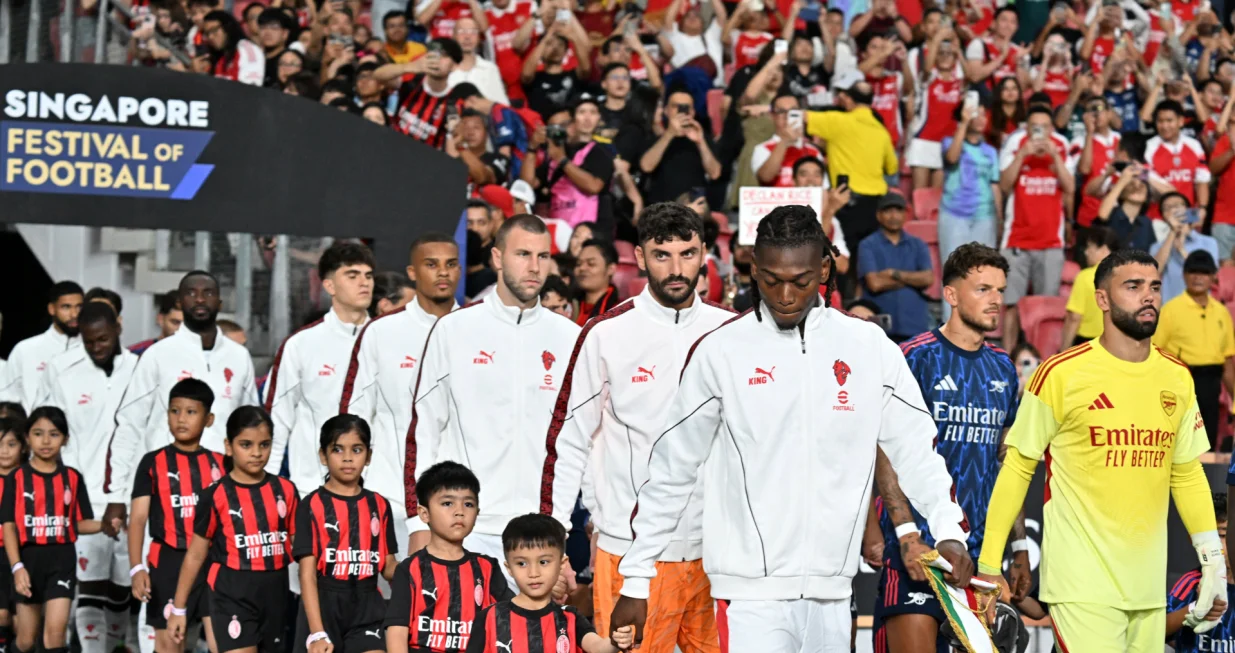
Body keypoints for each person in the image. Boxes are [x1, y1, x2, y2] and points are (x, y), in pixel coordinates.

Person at [609, 205, 973, 651]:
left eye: (799, 281)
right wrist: (637, 579)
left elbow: (917, 450)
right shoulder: (721, 351)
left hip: (834, 595)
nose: (784, 295)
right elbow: (671, 470)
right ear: (754, 269)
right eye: (770, 280)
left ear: (824, 268)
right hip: (747, 599)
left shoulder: (868, 347)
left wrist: (950, 530)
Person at [978, 249, 1227, 651]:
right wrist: (990, 566)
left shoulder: (1177, 377)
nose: (1148, 296)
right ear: (1102, 300)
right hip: (1081, 587)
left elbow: (1185, 473)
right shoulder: (1061, 373)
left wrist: (1212, 559)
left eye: (1154, 287)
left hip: (1148, 588)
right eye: (1133, 286)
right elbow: (1017, 468)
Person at [541, 203, 731, 652]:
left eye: (687, 253)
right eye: (661, 255)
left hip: (717, 552)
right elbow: (569, 441)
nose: (676, 267)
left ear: (704, 253)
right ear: (640, 258)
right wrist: (555, 540)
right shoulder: (606, 333)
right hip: (629, 553)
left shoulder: (730, 331)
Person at [871, 243, 1026, 653]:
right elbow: (885, 449)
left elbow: (1006, 463)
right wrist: (904, 532)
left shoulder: (1004, 367)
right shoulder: (914, 357)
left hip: (977, 558)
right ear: (952, 295)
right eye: (983, 289)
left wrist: (1019, 545)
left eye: (1000, 290)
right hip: (918, 548)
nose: (996, 300)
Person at [406, 216, 582, 562]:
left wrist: (561, 525)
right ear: (498, 258)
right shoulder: (454, 330)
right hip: (464, 529)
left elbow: (579, 440)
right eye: (522, 254)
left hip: (541, 531)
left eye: (543, 256)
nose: (534, 267)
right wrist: (418, 522)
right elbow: (422, 431)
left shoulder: (570, 337)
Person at [102, 271, 259, 541]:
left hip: (223, 490)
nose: (199, 299)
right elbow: (129, 424)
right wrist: (117, 494)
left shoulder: (239, 357)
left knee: (216, 575)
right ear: (180, 302)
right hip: (166, 488)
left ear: (220, 303)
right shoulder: (158, 355)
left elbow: (251, 428)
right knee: (159, 575)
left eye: (208, 293)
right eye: (191, 293)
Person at [340, 233, 460, 556]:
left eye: (451, 265)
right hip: (389, 499)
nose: (443, 273)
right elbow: (354, 416)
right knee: (386, 604)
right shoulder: (381, 333)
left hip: (464, 504)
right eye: (431, 265)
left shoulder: (476, 332)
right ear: (411, 272)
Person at [37, 302, 138, 653]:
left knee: (123, 587)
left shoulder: (140, 369)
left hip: (130, 498)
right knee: (90, 584)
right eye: (89, 341)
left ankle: (113, 646)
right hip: (84, 498)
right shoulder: (64, 372)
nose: (97, 347)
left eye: (103, 339)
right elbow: (49, 431)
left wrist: (130, 495)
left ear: (118, 329)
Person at [166, 407, 298, 652]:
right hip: (231, 594)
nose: (257, 453)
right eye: (246, 445)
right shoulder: (215, 495)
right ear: (229, 446)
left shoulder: (286, 490)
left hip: (276, 595)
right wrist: (179, 608)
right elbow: (195, 554)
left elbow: (299, 545)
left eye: (264, 445)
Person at [266, 241, 374, 495]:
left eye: (368, 275)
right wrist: (266, 490)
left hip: (378, 492)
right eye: (352, 275)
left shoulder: (391, 342)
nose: (364, 283)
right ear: (329, 285)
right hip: (311, 489)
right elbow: (277, 421)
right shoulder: (300, 345)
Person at [127, 379, 226, 653]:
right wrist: (136, 568)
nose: (181, 419)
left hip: (212, 562)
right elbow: (137, 519)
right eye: (175, 411)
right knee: (171, 644)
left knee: (224, 644)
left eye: (191, 412)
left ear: (209, 419)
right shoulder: (152, 462)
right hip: (168, 563)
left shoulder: (221, 464)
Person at [293, 415, 398, 653]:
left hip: (367, 605)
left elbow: (387, 564)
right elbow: (307, 575)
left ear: (368, 456)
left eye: (357, 449)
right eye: (338, 449)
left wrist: (412, 570)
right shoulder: (311, 505)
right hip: (323, 606)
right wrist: (317, 632)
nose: (348, 457)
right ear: (323, 455)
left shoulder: (380, 505)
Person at [383, 461, 512, 652]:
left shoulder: (487, 567)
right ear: (424, 513)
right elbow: (397, 631)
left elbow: (512, 619)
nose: (459, 511)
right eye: (447, 503)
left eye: (468, 504)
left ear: (477, 513)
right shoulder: (410, 569)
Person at [2, 407, 101, 653]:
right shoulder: (16, 478)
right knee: (25, 640)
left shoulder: (73, 478)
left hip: (62, 558)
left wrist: (107, 525)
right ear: (27, 438)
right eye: (38, 433)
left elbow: (76, 524)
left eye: (54, 434)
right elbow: (9, 527)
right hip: (28, 559)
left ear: (65, 439)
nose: (46, 441)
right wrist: (17, 567)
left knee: (55, 635)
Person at [466, 514, 635, 652]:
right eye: (522, 564)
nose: (533, 573)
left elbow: (598, 648)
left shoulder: (570, 618)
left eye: (543, 562)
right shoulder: (488, 618)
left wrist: (615, 641)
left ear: (562, 564)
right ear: (509, 568)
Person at [998, 105, 1073, 350]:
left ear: (1051, 129)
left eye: (1044, 127)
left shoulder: (1061, 146)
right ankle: (1007, 361)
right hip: (1017, 239)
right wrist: (1022, 155)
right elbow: (1005, 185)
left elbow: (1071, 187)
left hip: (1051, 241)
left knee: (1046, 306)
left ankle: (1043, 365)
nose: (1039, 132)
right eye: (1034, 127)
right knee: (1011, 305)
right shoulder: (1016, 145)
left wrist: (1056, 158)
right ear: (1027, 129)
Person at [806, 71, 899, 265]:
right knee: (866, 262)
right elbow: (892, 167)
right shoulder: (882, 132)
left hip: (847, 202)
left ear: (848, 100)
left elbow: (799, 116)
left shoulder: (838, 121)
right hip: (875, 205)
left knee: (841, 259)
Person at [1153, 250, 1234, 450]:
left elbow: (1227, 360)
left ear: (1213, 276)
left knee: (1207, 441)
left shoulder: (1221, 312)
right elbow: (1154, 354)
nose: (1198, 277)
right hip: (1181, 383)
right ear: (1184, 275)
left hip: (1212, 382)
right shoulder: (1171, 310)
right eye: (1193, 272)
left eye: (1204, 272)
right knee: (1180, 444)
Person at [939, 101, 1002, 323]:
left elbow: (995, 185)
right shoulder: (950, 142)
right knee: (954, 272)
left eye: (985, 114)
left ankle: (979, 323)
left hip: (985, 216)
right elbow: (952, 158)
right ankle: (951, 327)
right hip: (954, 214)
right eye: (977, 113)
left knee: (983, 273)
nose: (982, 118)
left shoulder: (990, 151)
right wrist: (964, 123)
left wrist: (1000, 220)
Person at [858, 192, 935, 342]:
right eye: (888, 211)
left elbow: (928, 278)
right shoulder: (867, 245)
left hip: (914, 323)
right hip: (880, 326)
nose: (894, 216)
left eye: (898, 210)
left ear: (905, 215)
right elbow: (875, 283)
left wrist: (893, 274)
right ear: (879, 215)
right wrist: (913, 279)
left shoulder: (918, 244)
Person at [0, 281, 83, 411]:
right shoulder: (26, 350)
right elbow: (7, 397)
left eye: (79, 307)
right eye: (66, 307)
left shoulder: (93, 351)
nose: (74, 314)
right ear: (52, 309)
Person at [1166, 492, 1233, 652]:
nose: (1220, 546)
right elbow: (1159, 630)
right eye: (1215, 537)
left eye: (1224, 535)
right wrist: (1196, 609)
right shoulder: (1190, 583)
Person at [375, 38, 463, 149]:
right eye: (433, 53)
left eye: (444, 55)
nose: (437, 59)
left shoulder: (454, 104)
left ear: (455, 66)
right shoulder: (412, 79)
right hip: (391, 148)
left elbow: (454, 150)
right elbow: (378, 76)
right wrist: (409, 66)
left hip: (424, 162)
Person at [639, 89, 723, 204]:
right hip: (661, 206)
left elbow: (715, 173)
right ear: (666, 111)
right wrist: (669, 134)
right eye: (676, 106)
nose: (681, 111)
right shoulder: (655, 138)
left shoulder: (703, 138)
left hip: (693, 206)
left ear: (693, 112)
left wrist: (700, 142)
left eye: (686, 107)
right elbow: (646, 166)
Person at [1146, 100, 1211, 227]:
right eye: (1160, 121)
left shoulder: (1194, 145)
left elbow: (1202, 180)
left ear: (1181, 121)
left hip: (1188, 216)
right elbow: (1148, 179)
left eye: (1169, 121)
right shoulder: (1150, 146)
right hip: (1158, 219)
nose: (1164, 126)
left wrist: (1202, 209)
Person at [1151, 192, 1221, 303]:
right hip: (1170, 307)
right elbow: (1154, 272)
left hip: (1201, 305)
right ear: (1163, 216)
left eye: (1178, 205)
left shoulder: (1208, 242)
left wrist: (1182, 251)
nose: (1174, 210)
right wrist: (1174, 232)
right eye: (1168, 207)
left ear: (1188, 210)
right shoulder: (1157, 247)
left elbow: (1213, 274)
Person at [1061, 227, 1121, 349]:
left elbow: (1074, 318)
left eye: (1090, 247)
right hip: (1116, 344)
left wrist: (1063, 351)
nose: (1086, 252)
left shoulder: (1085, 277)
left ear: (1104, 250)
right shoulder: (1125, 278)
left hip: (1086, 344)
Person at [752, 94, 824, 187]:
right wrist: (784, 141)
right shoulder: (762, 149)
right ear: (772, 116)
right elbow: (765, 177)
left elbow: (823, 189)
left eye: (793, 111)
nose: (787, 116)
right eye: (782, 111)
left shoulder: (814, 152)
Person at [1074, 97, 1122, 229]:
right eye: (1091, 110)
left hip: (1117, 210)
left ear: (1109, 113)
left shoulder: (1120, 139)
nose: (1096, 113)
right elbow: (1084, 169)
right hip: (1091, 212)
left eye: (1099, 109)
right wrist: (1089, 133)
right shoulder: (1080, 141)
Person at [447, 16, 510, 104]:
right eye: (462, 32)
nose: (467, 37)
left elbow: (502, 106)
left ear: (479, 38)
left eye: (473, 32)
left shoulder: (490, 69)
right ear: (453, 36)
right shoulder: (444, 69)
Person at [1095, 161, 1156, 253]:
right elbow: (1102, 215)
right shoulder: (1112, 214)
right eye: (1131, 185)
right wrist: (1122, 181)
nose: (1136, 187)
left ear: (1147, 196)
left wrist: (1146, 174)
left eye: (1141, 186)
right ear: (1121, 192)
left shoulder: (1146, 223)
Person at [196, 10, 264, 85]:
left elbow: (251, 89)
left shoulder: (247, 49)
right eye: (207, 33)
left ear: (228, 27)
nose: (210, 37)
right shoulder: (218, 57)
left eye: (214, 30)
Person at [573, 239, 622, 324]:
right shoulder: (569, 305)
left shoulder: (619, 311)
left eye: (591, 263)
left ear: (611, 269)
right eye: (578, 264)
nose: (582, 268)